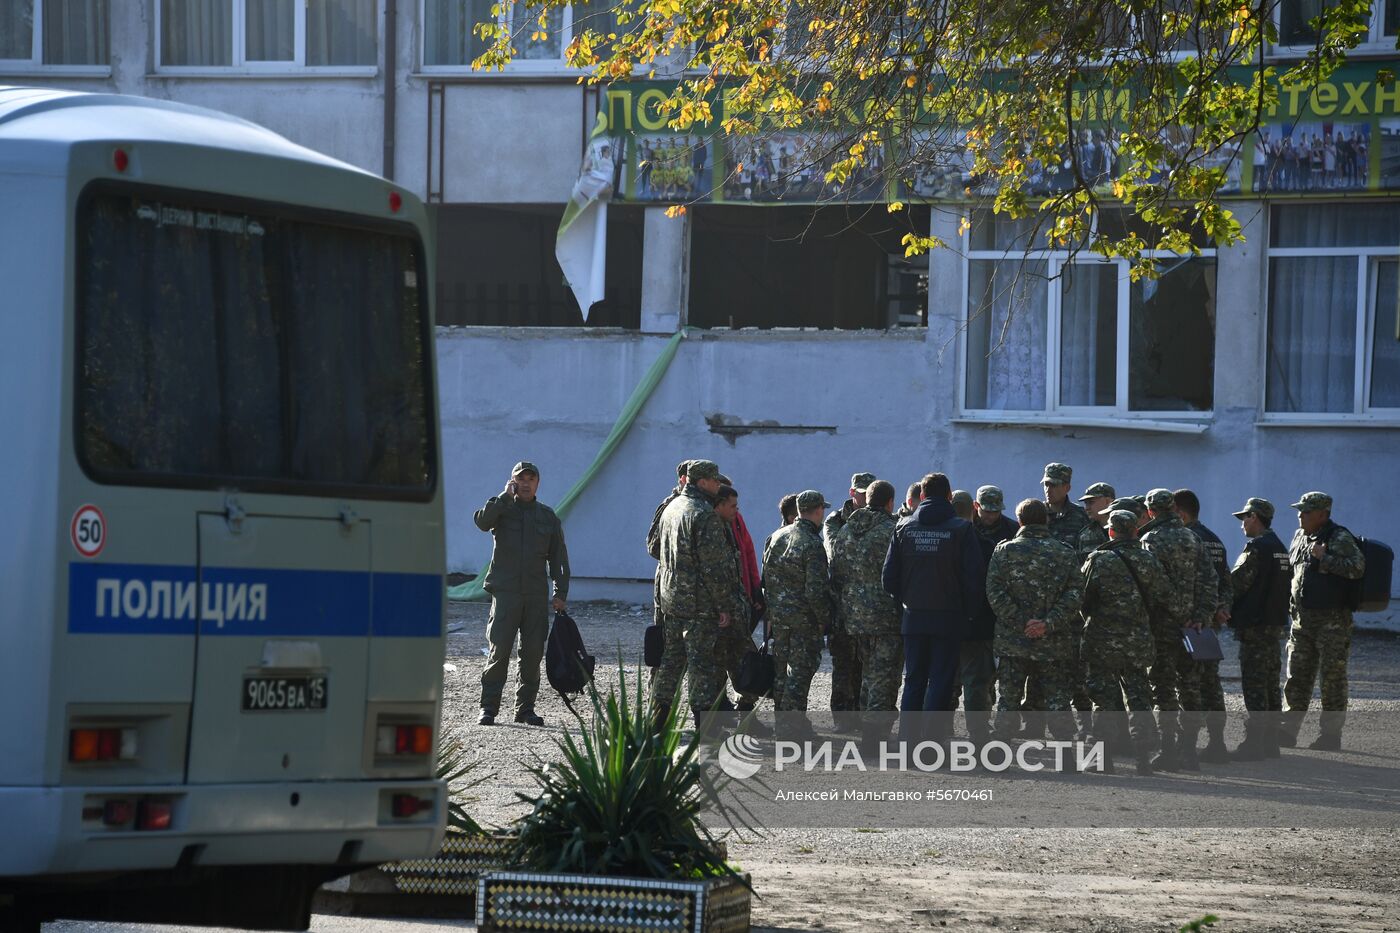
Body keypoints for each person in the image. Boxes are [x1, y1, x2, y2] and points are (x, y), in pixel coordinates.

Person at [882, 472, 983, 742]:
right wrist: (969, 613)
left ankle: (907, 741)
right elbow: (974, 579)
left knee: (914, 679)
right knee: (940, 680)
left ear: (922, 496)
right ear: (950, 497)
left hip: (913, 616)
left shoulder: (903, 527)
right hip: (949, 618)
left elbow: (888, 578)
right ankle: (931, 743)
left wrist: (906, 602)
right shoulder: (961, 530)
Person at [474, 461, 570, 727]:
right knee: (499, 651)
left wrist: (560, 591)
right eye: (521, 478)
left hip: (535, 596)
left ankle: (525, 708)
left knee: (531, 654)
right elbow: (482, 522)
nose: (526, 483)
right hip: (506, 594)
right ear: (512, 481)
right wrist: (504, 496)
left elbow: (559, 558)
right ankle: (488, 708)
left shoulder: (547, 517)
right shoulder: (502, 509)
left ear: (538, 483)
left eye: (531, 478)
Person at [655, 460, 746, 735]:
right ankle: (706, 725)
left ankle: (656, 721)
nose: (719, 485)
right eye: (715, 481)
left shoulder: (672, 507)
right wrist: (724, 605)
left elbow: (656, 549)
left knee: (670, 662)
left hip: (673, 600)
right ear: (702, 482)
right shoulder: (704, 514)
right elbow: (713, 566)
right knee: (701, 665)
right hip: (699, 605)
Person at [1080, 510, 1173, 775]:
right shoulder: (1149, 560)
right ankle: (1143, 759)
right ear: (1135, 531)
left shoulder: (1098, 559)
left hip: (1102, 640)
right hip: (1138, 640)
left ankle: (1102, 759)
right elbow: (1162, 595)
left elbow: (1083, 600)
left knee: (1104, 699)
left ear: (1111, 532)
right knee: (1139, 697)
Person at [986, 499, 1083, 745]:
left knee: (1008, 698)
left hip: (1013, 642)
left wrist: (1021, 622)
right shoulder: (1064, 552)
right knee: (1057, 700)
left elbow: (994, 592)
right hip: (1053, 642)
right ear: (1046, 520)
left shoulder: (1004, 551)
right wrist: (1047, 624)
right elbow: (1075, 595)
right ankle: (1066, 755)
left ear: (1019, 521)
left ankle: (999, 753)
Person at [1281, 491, 1366, 751]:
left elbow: (1357, 567)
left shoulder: (1339, 537)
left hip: (1332, 624)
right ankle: (1287, 732)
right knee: (1297, 677)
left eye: (1306, 512)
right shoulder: (1299, 537)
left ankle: (1330, 736)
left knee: (1332, 679)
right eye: (1300, 510)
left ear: (1322, 514)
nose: (1300, 515)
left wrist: (1325, 558)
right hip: (1301, 622)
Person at [1139, 487, 1216, 771]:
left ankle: (1168, 749)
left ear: (1150, 511)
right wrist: (1199, 616)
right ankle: (1189, 751)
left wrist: (1176, 613)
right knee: (1190, 688)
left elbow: (1154, 585)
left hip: (1162, 627)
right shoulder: (1192, 537)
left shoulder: (1150, 540)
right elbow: (1210, 581)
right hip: (1192, 628)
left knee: (1163, 689)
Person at [829, 480, 903, 748]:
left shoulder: (846, 530)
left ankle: (867, 727)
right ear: (890, 502)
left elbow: (836, 571)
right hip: (885, 616)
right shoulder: (892, 531)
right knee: (884, 676)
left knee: (867, 674)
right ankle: (874, 735)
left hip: (854, 616)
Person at [763, 490, 834, 726]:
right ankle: (791, 728)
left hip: (780, 618)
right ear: (817, 511)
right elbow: (816, 590)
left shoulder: (777, 536)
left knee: (781, 672)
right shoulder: (813, 544)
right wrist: (825, 618)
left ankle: (782, 722)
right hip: (804, 620)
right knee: (799, 674)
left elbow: (766, 579)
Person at [1227, 497, 1291, 760]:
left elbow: (1237, 583)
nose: (1242, 524)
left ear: (1254, 517)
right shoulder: (1279, 547)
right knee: (1270, 684)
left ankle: (1254, 744)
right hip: (1273, 624)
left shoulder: (1257, 548)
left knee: (1254, 685)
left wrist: (1220, 604)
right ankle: (1270, 743)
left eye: (1244, 518)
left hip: (1254, 625)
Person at [1175, 488, 1233, 763]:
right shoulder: (1216, 540)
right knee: (1211, 683)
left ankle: (1187, 745)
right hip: (1210, 624)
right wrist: (1222, 608)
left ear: (1180, 514)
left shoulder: (1188, 540)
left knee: (1190, 683)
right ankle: (1217, 742)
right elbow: (1226, 581)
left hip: (1192, 623)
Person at [961, 485, 1017, 743]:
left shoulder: (1012, 530)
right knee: (976, 676)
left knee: (1004, 676)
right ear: (976, 506)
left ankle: (1001, 725)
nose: (991, 516)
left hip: (1005, 614)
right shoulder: (965, 530)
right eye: (987, 511)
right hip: (976, 614)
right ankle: (978, 730)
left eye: (996, 511)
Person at [824, 472, 877, 719]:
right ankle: (843, 715)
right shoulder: (835, 520)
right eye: (860, 493)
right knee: (843, 663)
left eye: (868, 493)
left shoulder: (881, 520)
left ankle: (862, 712)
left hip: (869, 606)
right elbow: (837, 553)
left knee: (867, 664)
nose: (864, 498)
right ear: (851, 492)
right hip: (842, 604)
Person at [646, 461, 692, 722]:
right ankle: (656, 712)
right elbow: (652, 545)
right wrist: (677, 556)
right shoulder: (670, 506)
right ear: (684, 480)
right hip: (669, 586)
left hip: (688, 591)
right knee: (665, 651)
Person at [714, 485, 762, 712]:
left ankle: (745, 708)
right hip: (719, 609)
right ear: (719, 504)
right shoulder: (710, 527)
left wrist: (754, 591)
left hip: (739, 603)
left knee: (746, 660)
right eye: (732, 506)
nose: (736, 510)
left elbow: (748, 555)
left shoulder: (737, 521)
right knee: (717, 664)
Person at [1077, 482, 1116, 557]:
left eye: (1091, 502)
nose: (1087, 508)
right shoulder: (1085, 534)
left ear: (1108, 501)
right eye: (1086, 503)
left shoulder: (1125, 527)